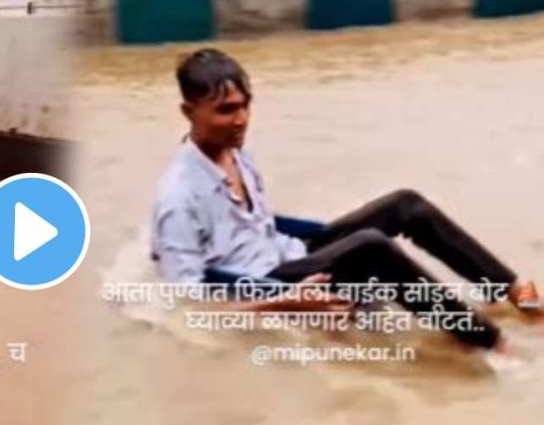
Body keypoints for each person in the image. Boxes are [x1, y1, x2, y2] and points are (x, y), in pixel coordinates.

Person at [151, 48, 540, 351]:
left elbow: (260, 221)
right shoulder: (178, 198)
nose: (241, 119)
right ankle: (490, 343)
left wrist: (327, 233)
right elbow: (191, 312)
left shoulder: (234, 151)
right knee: (371, 247)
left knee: (406, 205)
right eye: (225, 110)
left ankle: (515, 293)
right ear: (189, 112)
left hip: (290, 255)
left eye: (245, 105)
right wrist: (289, 303)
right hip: (268, 284)